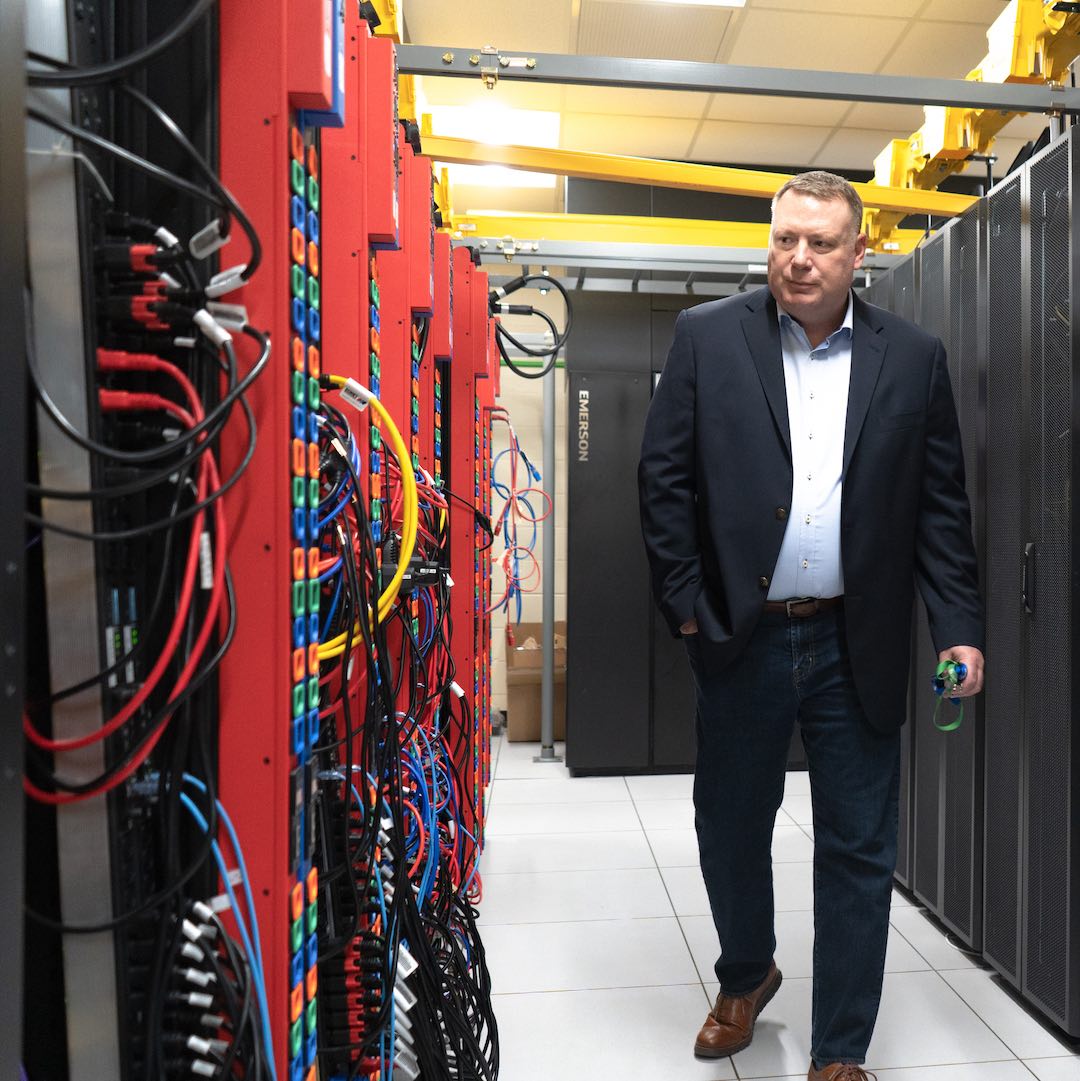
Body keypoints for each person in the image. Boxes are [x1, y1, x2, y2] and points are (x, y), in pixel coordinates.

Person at [637, 171, 984, 1081]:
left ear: (857, 253)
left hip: (853, 638)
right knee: (730, 825)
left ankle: (840, 1049)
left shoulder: (913, 358)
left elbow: (940, 509)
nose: (798, 257)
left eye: (821, 242)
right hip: (742, 634)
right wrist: (686, 610)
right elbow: (663, 481)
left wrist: (960, 628)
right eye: (785, 238)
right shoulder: (708, 337)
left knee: (859, 845)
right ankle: (748, 974)